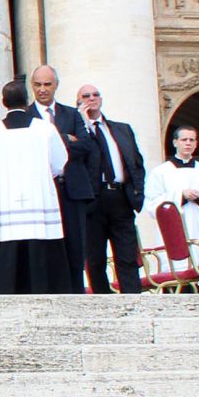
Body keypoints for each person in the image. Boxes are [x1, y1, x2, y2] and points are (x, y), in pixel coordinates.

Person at [0, 77, 73, 295]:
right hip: (39, 210)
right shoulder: (46, 130)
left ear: (3, 102)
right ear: (26, 101)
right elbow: (60, 164)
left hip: (4, 211)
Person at [67, 83, 145, 294]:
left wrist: (138, 192)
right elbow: (81, 158)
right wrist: (83, 125)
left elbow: (136, 163)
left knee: (127, 256)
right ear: (78, 103)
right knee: (95, 259)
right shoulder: (76, 134)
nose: (92, 98)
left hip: (121, 197)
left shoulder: (121, 129)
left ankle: (132, 300)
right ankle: (103, 300)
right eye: (86, 96)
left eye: (96, 94)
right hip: (94, 200)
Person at [26, 64, 88, 288]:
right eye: (37, 85)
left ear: (56, 85)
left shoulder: (71, 114)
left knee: (75, 248)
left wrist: (52, 139)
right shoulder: (26, 117)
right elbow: (28, 150)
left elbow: (85, 146)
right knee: (46, 249)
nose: (42, 89)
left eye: (47, 84)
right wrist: (65, 137)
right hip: (42, 192)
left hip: (71, 191)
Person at [142, 127, 199, 267]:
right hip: (173, 230)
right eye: (184, 140)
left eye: (191, 140)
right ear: (175, 142)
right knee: (177, 268)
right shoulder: (161, 172)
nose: (188, 143)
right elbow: (152, 203)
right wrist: (180, 196)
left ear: (196, 144)